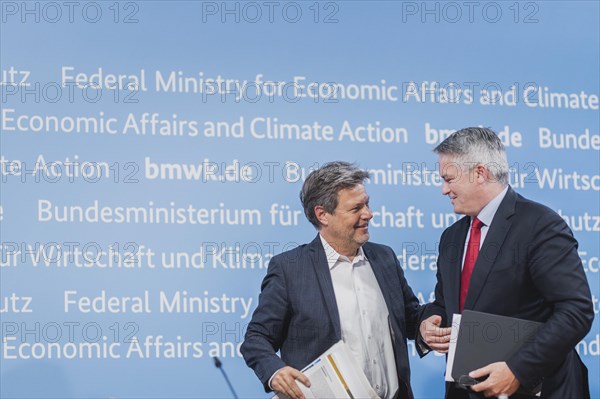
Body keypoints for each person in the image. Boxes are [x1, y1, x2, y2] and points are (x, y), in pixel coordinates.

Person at [419, 127, 594, 399]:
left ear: (480, 173)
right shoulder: (451, 238)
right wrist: (429, 321)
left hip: (534, 389)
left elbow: (575, 310)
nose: (444, 190)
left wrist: (518, 369)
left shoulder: (539, 225)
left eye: (449, 179)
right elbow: (447, 303)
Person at [241, 161, 422, 399]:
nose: (368, 214)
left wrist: (429, 322)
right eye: (356, 208)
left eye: (367, 203)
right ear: (323, 214)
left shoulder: (384, 257)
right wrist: (276, 372)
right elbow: (256, 338)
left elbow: (410, 318)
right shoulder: (290, 269)